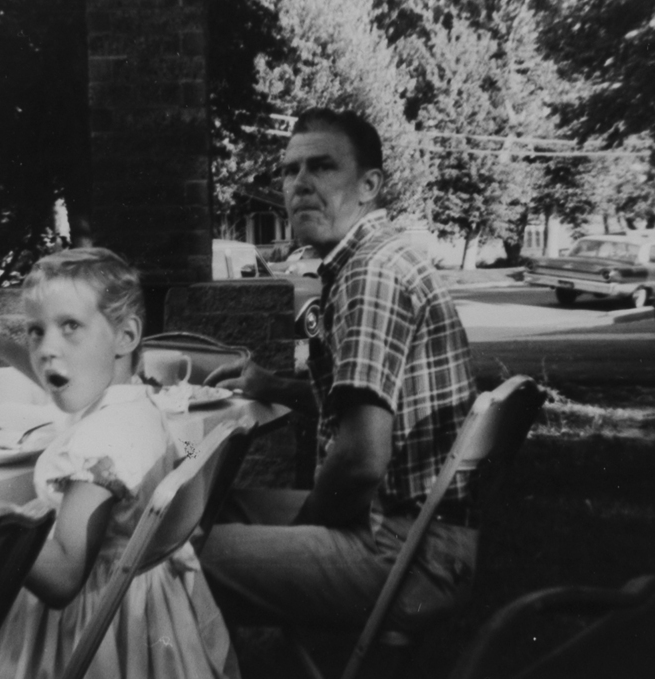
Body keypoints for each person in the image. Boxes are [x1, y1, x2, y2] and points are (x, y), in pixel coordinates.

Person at [200, 108, 479, 635]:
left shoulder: (369, 274)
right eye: (289, 171)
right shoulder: (375, 258)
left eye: (322, 167)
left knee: (176, 551)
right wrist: (272, 386)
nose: (300, 184)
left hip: (407, 557)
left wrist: (302, 535)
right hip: (421, 534)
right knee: (214, 505)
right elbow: (367, 401)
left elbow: (360, 461)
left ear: (369, 185)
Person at [0, 248, 238, 679]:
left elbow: (63, 579)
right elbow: (67, 379)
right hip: (145, 612)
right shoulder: (139, 403)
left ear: (125, 336)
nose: (47, 349)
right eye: (35, 331)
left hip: (88, 633)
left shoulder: (98, 445)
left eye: (70, 326)